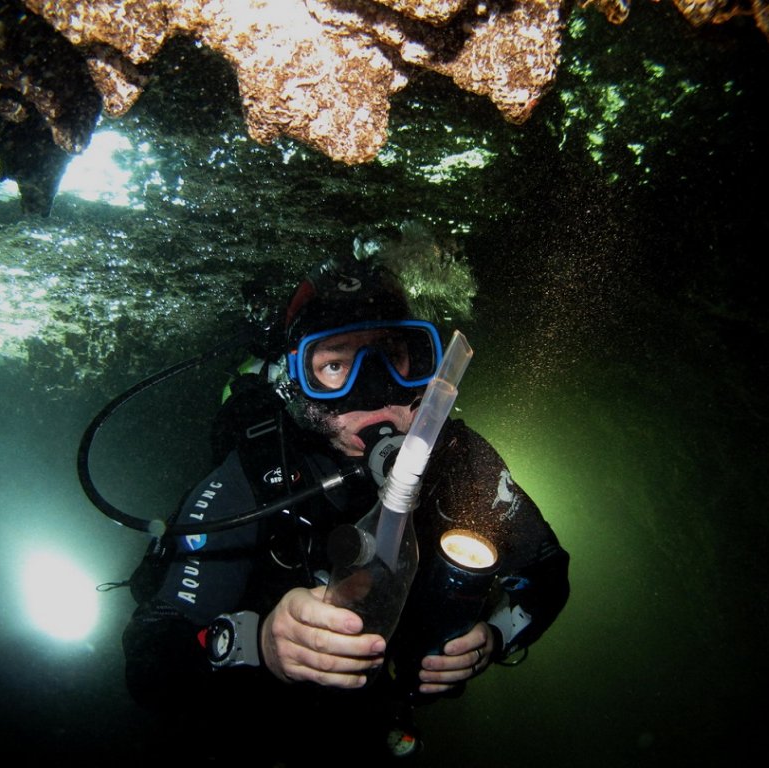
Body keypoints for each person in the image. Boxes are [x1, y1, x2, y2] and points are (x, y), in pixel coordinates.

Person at [120, 254, 570, 763]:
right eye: (335, 364)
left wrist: (493, 637)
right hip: (262, 731)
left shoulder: (460, 461)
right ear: (295, 381)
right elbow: (151, 655)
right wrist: (258, 642)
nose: (374, 390)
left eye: (392, 354)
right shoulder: (254, 474)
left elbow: (546, 571)